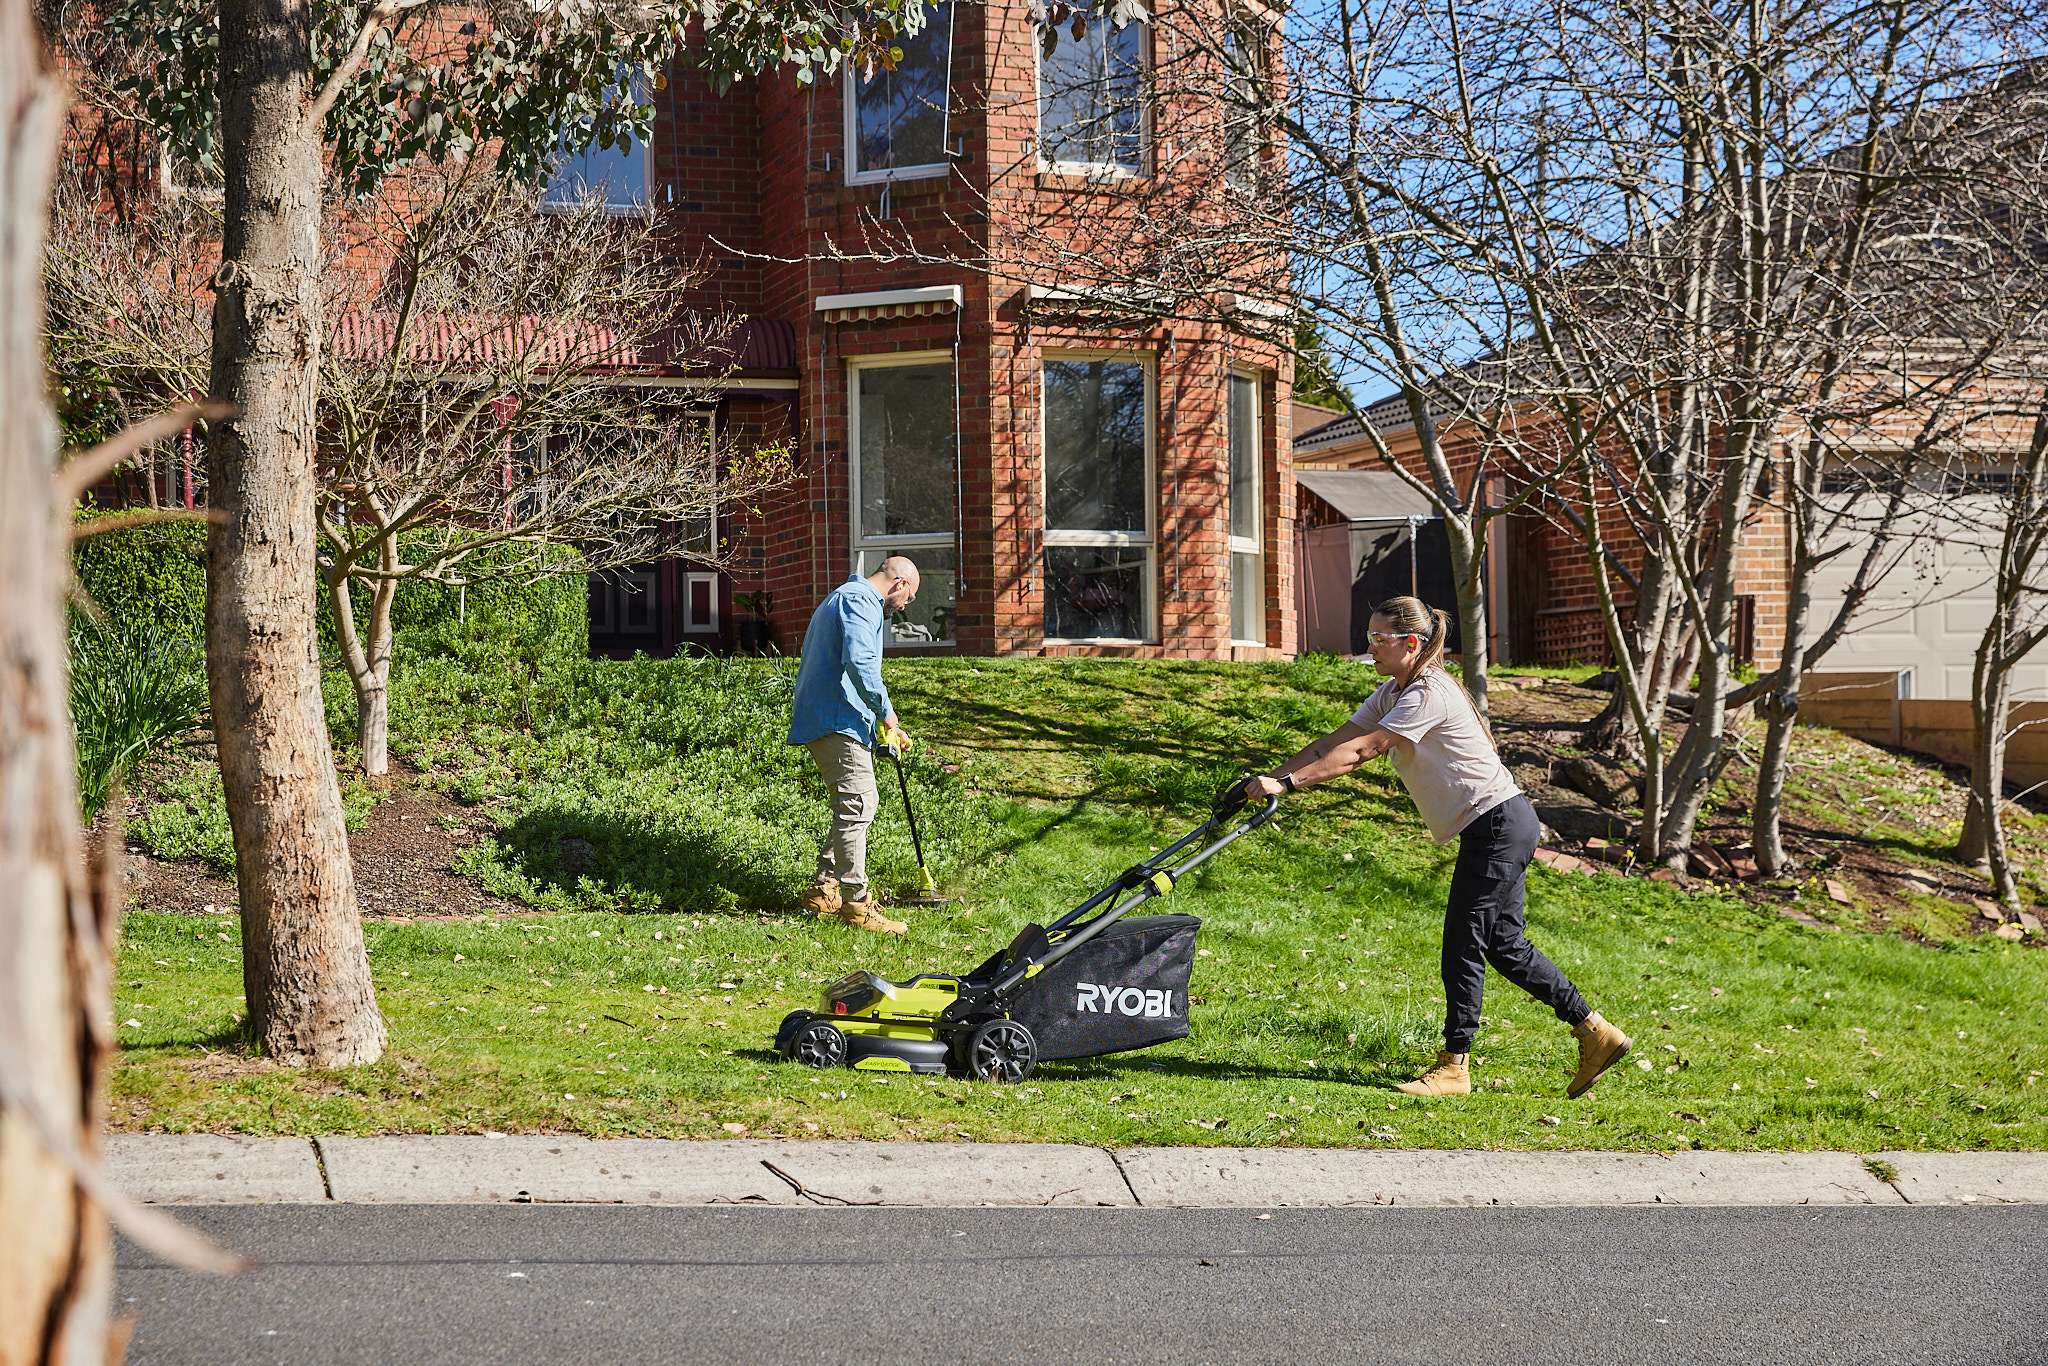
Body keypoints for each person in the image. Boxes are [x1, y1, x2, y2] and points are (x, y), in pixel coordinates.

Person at [1241, 595, 1631, 1098]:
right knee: (1503, 945)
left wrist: (1290, 787)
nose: (1371, 648)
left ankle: (1454, 1065)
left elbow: (1365, 750)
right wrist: (1270, 777)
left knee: (1464, 941)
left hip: (1498, 824)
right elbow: (1334, 742)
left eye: (1379, 640)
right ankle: (1596, 1032)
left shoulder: (1428, 693)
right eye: (1369, 637)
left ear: (1411, 643)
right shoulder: (1394, 691)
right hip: (1496, 825)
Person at [787, 556, 921, 934]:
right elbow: (861, 664)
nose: (904, 606)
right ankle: (857, 905)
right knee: (859, 805)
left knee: (854, 805)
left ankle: (823, 889)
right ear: (899, 585)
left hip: (835, 718)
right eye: (908, 598)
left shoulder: (845, 598)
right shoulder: (860, 600)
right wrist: (888, 716)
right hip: (835, 720)